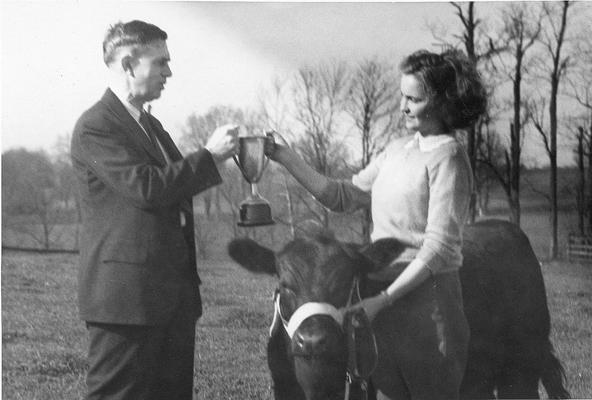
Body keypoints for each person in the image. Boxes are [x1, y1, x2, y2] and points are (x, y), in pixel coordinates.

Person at [267, 49, 487, 399]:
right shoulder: (396, 149)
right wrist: (286, 156)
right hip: (377, 301)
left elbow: (440, 248)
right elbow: (343, 195)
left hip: (427, 305)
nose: (402, 106)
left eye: (413, 99)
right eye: (402, 95)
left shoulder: (450, 157)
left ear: (442, 102)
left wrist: (383, 300)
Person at [70, 20, 239, 400]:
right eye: (160, 62)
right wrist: (209, 157)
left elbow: (175, 185)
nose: (169, 72)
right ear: (129, 65)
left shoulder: (151, 125)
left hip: (171, 300)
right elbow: (147, 188)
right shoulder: (95, 127)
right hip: (126, 305)